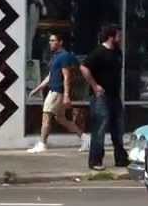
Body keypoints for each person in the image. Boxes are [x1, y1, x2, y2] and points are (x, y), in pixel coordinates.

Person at [27, 32, 85, 153]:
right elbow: (50, 76)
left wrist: (66, 96)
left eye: (53, 40)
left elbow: (66, 76)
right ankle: (85, 138)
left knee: (46, 116)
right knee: (61, 119)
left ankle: (42, 144)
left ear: (60, 42)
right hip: (53, 91)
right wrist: (37, 89)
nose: (50, 43)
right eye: (50, 41)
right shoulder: (55, 56)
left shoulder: (64, 56)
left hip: (57, 92)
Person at [80, 25, 128, 170]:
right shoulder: (99, 52)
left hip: (114, 95)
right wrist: (95, 86)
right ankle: (95, 161)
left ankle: (121, 158)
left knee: (118, 128)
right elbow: (84, 67)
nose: (120, 38)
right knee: (100, 127)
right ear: (111, 36)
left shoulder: (118, 52)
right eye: (118, 35)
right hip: (101, 96)